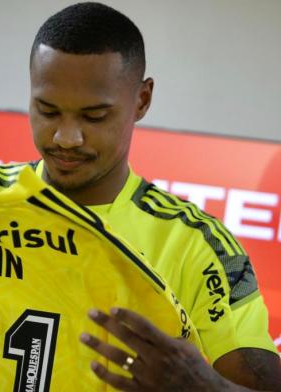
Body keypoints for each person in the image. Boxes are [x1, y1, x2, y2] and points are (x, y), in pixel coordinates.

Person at [22, 2, 281, 390]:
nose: (66, 138)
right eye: (47, 111)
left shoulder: (198, 247)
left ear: (141, 100)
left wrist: (204, 387)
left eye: (94, 116)